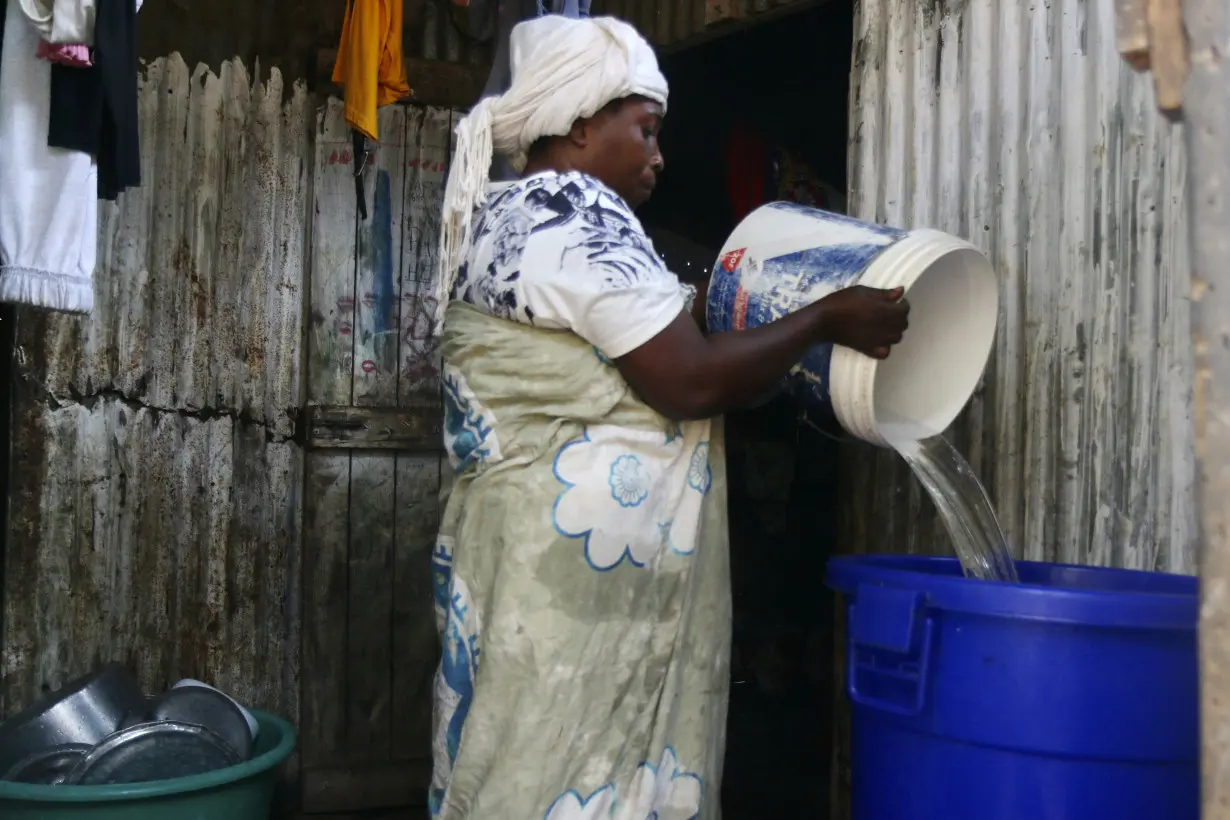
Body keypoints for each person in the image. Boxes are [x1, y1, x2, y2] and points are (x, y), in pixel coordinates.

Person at [428, 15, 908, 820]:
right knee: (569, 767)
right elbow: (685, 381)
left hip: (509, 556)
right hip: (574, 586)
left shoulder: (502, 213)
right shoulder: (576, 215)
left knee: (511, 755)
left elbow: (653, 349)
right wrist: (825, 318)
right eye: (645, 129)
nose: (659, 156)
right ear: (580, 126)